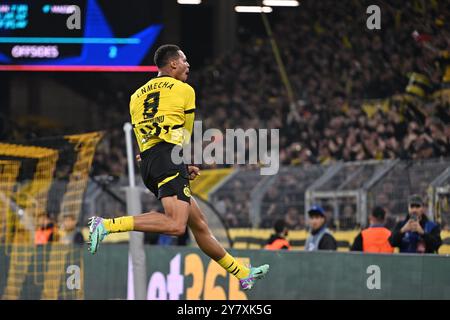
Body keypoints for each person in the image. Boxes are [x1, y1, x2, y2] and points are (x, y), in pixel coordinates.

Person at [87, 44, 269, 291]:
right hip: (167, 158)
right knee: (175, 225)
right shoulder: (184, 89)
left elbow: (143, 138)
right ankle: (107, 225)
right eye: (184, 61)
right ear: (172, 64)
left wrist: (180, 166)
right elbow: (184, 135)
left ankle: (241, 273)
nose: (188, 65)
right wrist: (179, 162)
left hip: (150, 162)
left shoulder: (136, 95)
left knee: (200, 225)